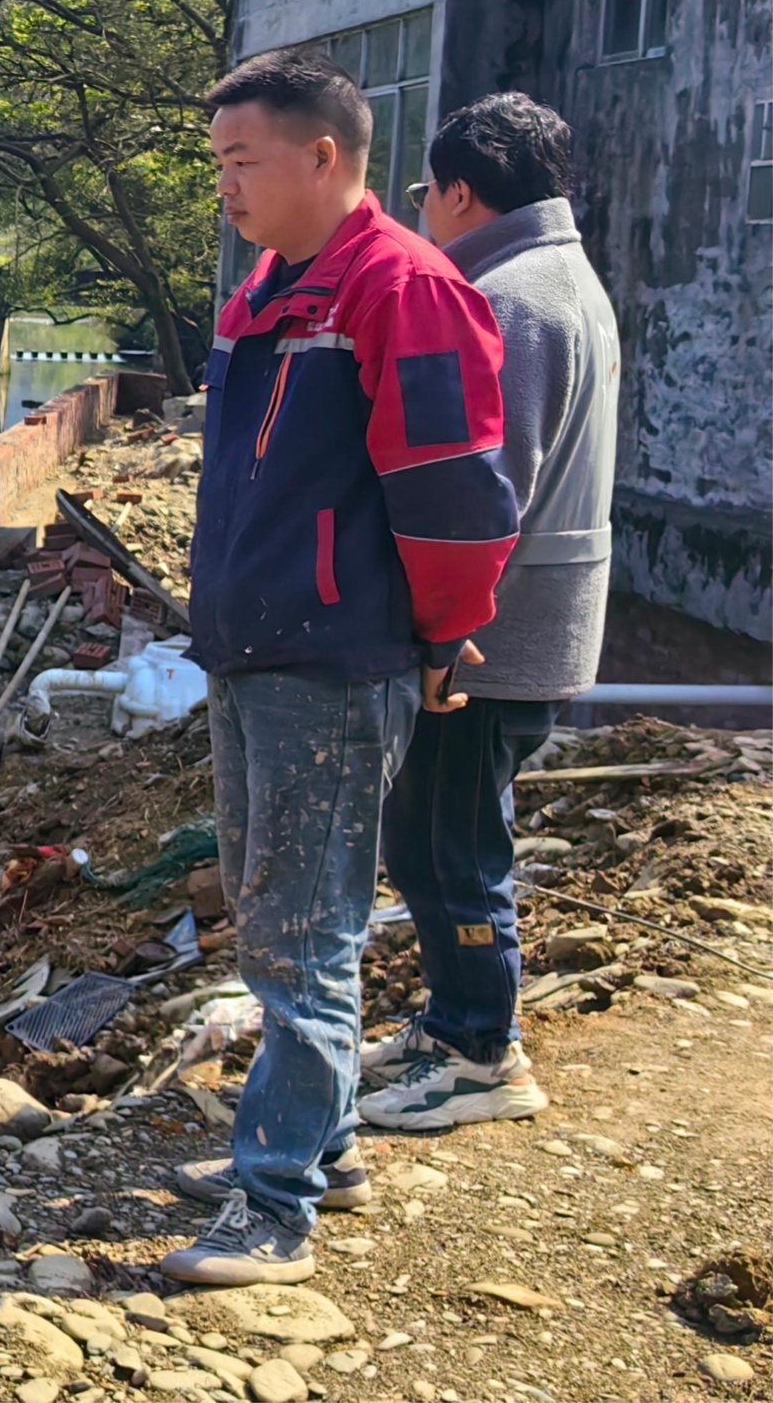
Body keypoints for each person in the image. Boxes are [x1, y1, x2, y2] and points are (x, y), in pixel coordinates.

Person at [162, 47, 518, 1285]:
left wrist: (439, 631)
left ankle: (275, 1204)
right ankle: (324, 1141)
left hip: (331, 654)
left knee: (302, 931)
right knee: (271, 911)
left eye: (242, 160)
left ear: (326, 155)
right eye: (217, 163)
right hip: (255, 646)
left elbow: (454, 493)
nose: (226, 186)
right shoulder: (274, 287)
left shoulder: (398, 288)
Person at [358, 93, 619, 1130]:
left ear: (462, 191)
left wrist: (437, 636)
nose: (419, 205)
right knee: (449, 827)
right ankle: (458, 1017)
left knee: (447, 841)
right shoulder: (562, 279)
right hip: (525, 624)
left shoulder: (506, 298)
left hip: (489, 636)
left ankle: (481, 1050)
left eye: (426, 188)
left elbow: (478, 494)